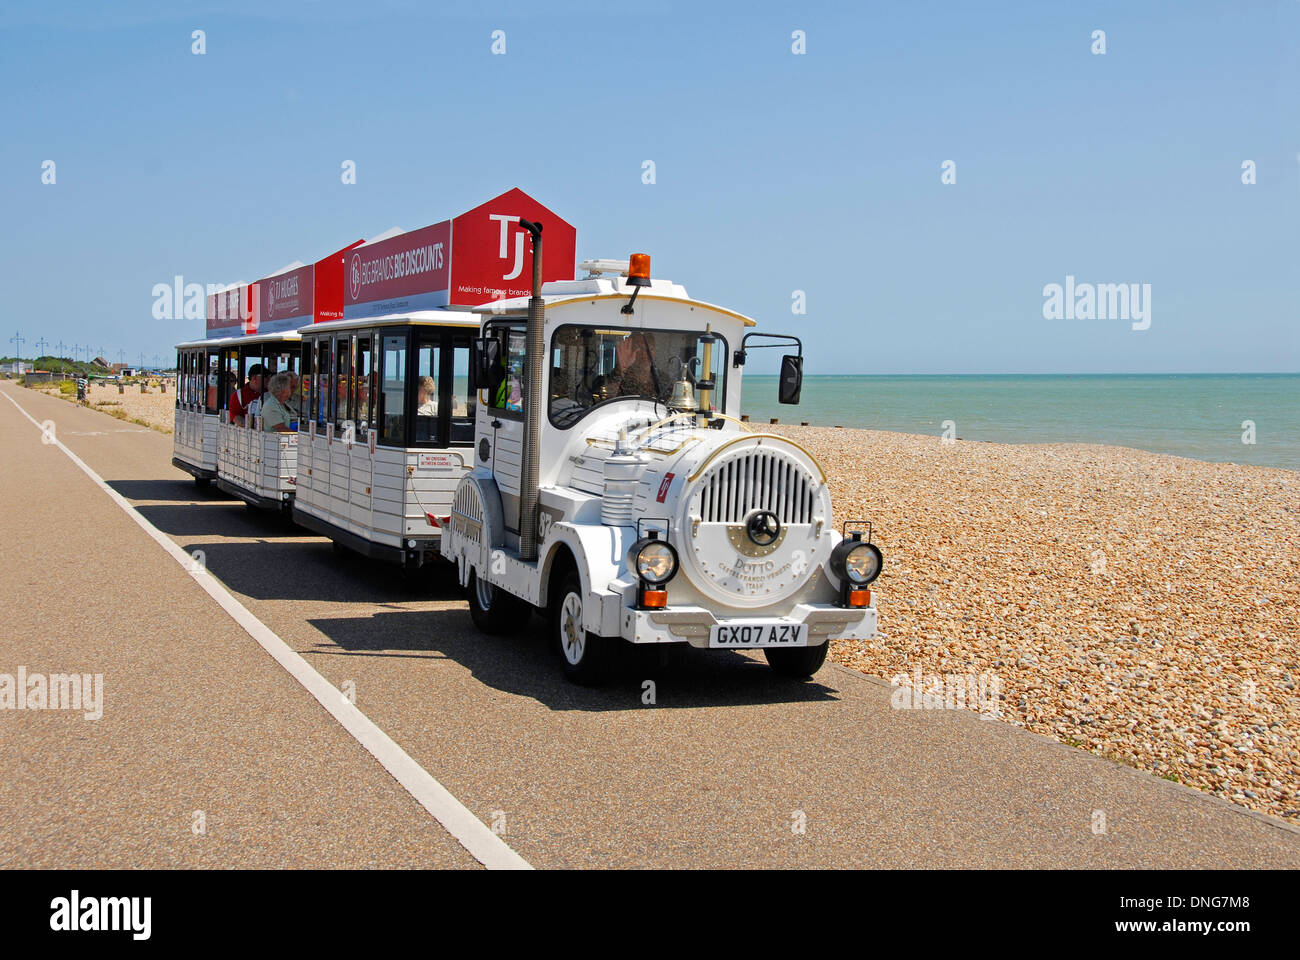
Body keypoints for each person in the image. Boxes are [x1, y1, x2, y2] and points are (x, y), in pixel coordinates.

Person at [600, 332, 660, 398]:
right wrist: (621, 368)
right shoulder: (619, 374)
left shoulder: (662, 378)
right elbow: (609, 396)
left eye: (649, 349)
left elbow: (668, 404)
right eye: (639, 349)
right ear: (630, 351)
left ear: (655, 351)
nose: (644, 354)